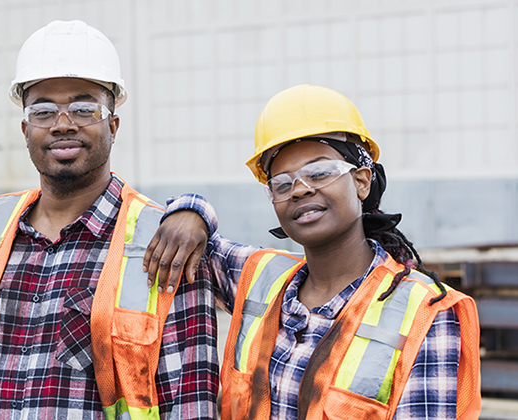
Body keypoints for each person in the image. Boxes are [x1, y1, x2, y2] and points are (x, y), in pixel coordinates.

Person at [0, 20, 219, 419]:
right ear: (25, 129)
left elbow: (191, 400)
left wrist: (198, 209)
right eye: (44, 110)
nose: (63, 123)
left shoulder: (163, 241)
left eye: (84, 109)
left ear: (113, 126)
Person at [144, 84, 481, 420]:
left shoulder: (427, 314)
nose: (300, 190)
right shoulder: (260, 279)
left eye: (320, 173)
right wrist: (191, 210)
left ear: (362, 181)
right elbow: (196, 243)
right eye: (283, 184)